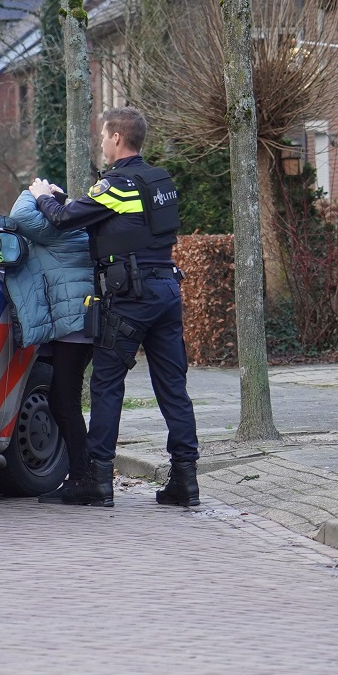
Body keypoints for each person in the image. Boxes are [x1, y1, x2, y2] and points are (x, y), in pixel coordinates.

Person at [29, 107, 199, 509]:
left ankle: (96, 478)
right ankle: (185, 479)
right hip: (167, 291)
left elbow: (65, 220)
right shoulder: (159, 181)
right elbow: (123, 222)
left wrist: (41, 197)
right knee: (173, 388)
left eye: (104, 137)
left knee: (106, 384)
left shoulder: (118, 184)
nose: (102, 144)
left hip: (131, 298)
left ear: (118, 138)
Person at [0, 189, 102, 505]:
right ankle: (84, 474)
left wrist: (33, 191)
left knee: (64, 401)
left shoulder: (60, 230)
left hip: (73, 329)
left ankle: (84, 477)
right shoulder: (76, 230)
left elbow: (21, 216)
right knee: (64, 400)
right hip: (79, 326)